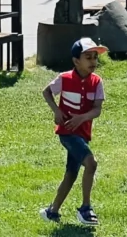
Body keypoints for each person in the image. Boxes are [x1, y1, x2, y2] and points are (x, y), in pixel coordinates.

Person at [39, 37, 107, 227]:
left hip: (82, 132)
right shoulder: (65, 79)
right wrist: (57, 111)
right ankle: (85, 208)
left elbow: (97, 109)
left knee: (71, 174)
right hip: (67, 132)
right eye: (88, 57)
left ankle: (51, 212)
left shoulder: (96, 82)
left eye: (95, 57)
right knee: (91, 164)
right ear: (76, 61)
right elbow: (46, 92)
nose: (93, 61)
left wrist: (82, 118)